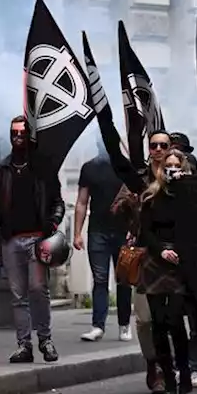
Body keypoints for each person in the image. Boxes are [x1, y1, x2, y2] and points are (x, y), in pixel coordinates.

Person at [0, 116, 64, 363]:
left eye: (22, 133)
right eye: (14, 133)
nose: (18, 137)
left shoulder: (42, 167)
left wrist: (52, 223)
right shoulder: (3, 169)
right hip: (11, 240)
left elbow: (57, 201)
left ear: (29, 136)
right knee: (18, 296)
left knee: (38, 289)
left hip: (37, 239)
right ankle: (23, 345)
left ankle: (45, 340)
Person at [137, 149, 194, 394]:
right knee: (158, 322)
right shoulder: (151, 196)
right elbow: (146, 232)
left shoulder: (189, 196)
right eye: (167, 165)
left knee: (174, 320)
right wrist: (161, 251)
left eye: (176, 164)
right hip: (155, 261)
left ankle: (185, 371)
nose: (171, 169)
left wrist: (179, 251)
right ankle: (168, 377)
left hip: (180, 262)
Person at [73, 140, 133, 342]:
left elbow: (137, 197)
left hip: (123, 232)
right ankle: (97, 326)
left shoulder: (126, 167)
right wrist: (77, 233)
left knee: (124, 280)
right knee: (100, 280)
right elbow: (82, 202)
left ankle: (124, 325)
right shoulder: (89, 168)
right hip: (98, 231)